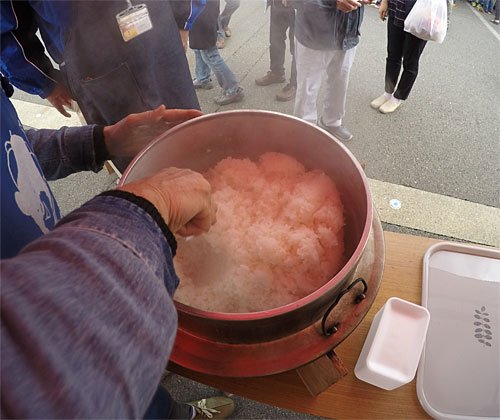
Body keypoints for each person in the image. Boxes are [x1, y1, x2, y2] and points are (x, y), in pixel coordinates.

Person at [0, 81, 235, 419]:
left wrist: (99, 142)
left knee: (144, 394)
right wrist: (150, 207)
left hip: (76, 290)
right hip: (71, 347)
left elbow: (10, 146)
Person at [0, 0, 205, 172]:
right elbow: (5, 30)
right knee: (137, 158)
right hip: (90, 60)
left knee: (193, 137)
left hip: (157, 29)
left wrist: (184, 16)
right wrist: (43, 82)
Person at [293, 0, 368, 142]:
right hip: (313, 34)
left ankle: (332, 122)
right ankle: (303, 131)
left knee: (340, 83)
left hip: (348, 33)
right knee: (307, 89)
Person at [370, 0, 428, 114]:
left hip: (420, 14)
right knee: (392, 55)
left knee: (410, 61)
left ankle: (397, 98)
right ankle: (387, 93)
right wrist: (385, 2)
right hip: (396, 8)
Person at [190, 0, 245, 106]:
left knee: (210, 54)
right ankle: (203, 78)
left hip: (203, 14)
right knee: (198, 48)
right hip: (197, 13)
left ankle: (233, 89)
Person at [255, 0, 297, 102]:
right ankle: (277, 73)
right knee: (275, 40)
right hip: (277, 4)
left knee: (296, 47)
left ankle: (295, 84)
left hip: (298, 6)